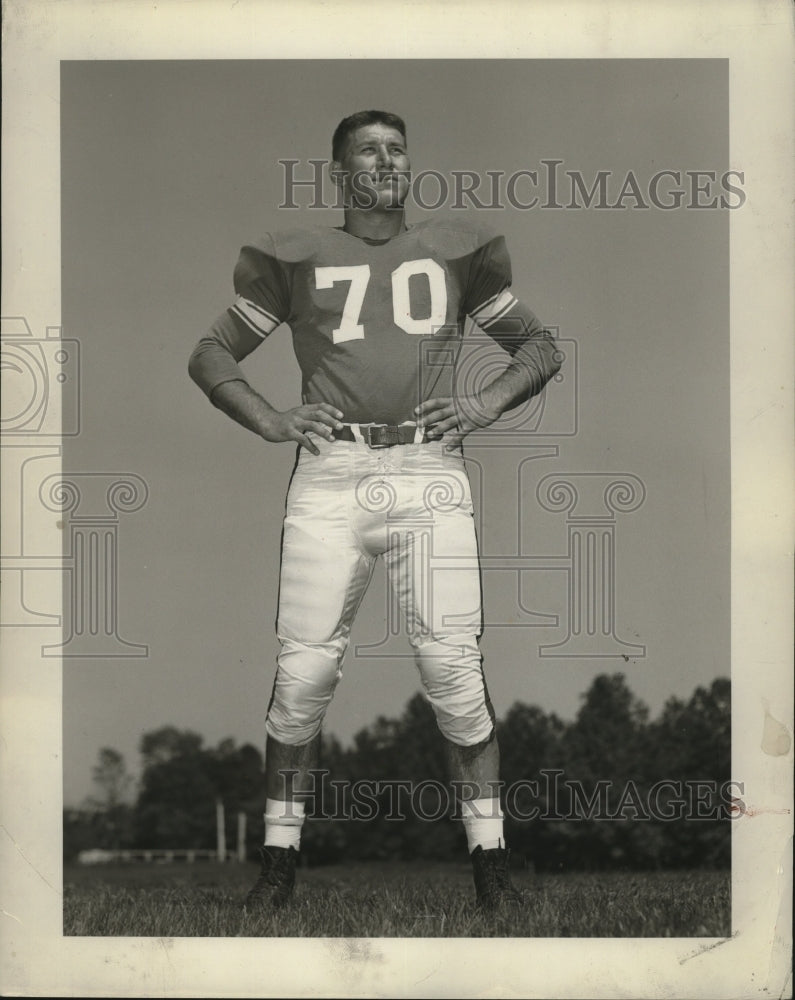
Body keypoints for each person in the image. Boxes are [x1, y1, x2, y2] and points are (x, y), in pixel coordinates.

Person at [188, 110, 561, 914]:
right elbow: (210, 352)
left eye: (397, 149)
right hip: (331, 471)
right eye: (369, 151)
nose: (387, 161)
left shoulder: (453, 251)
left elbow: (539, 346)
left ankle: (491, 864)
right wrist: (271, 419)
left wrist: (486, 403)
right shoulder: (298, 257)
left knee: (452, 670)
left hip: (429, 469)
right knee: (303, 675)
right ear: (339, 172)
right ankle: (279, 861)